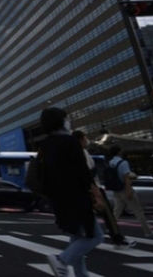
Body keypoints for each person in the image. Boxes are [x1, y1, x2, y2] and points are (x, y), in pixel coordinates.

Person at [40, 108, 103, 277]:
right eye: (66, 118)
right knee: (95, 236)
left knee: (76, 238)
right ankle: (61, 260)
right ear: (60, 121)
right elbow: (83, 172)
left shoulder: (45, 145)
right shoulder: (69, 141)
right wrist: (95, 194)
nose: (68, 121)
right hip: (77, 197)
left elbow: (43, 175)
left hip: (59, 199)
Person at [72, 130, 135, 249]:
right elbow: (88, 172)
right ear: (80, 139)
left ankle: (89, 239)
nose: (87, 140)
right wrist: (95, 190)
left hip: (87, 189)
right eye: (85, 138)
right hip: (93, 188)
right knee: (108, 215)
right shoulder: (81, 153)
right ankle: (118, 239)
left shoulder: (78, 152)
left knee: (90, 217)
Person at [108, 145, 153, 238]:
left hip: (116, 190)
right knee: (138, 211)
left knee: (116, 211)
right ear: (119, 152)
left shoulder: (110, 162)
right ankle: (148, 232)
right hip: (125, 188)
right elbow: (126, 177)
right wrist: (129, 190)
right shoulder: (123, 162)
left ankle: (111, 229)